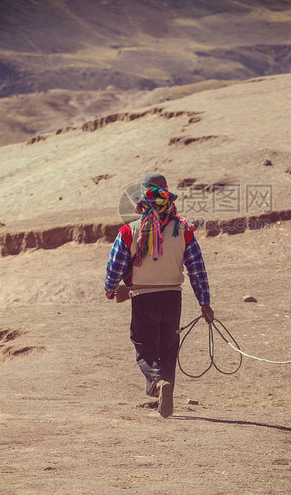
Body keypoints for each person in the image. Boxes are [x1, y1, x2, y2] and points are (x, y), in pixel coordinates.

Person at [104, 172, 214, 418]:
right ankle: (166, 389)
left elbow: (116, 265)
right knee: (168, 347)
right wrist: (204, 303)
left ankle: (156, 382)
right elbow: (197, 269)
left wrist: (110, 288)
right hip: (173, 298)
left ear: (143, 200)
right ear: (168, 198)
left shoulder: (130, 231)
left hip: (143, 297)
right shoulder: (184, 229)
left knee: (143, 344)